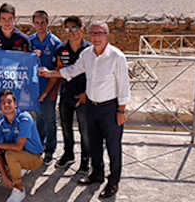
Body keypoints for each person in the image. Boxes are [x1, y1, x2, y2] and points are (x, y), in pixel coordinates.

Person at [40, 21, 130, 199]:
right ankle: (97, 173)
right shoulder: (87, 54)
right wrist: (50, 73)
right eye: (93, 33)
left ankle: (113, 182)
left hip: (111, 108)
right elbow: (73, 70)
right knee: (94, 143)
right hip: (91, 106)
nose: (96, 37)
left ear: (106, 35)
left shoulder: (116, 56)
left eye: (100, 33)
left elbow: (124, 86)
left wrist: (121, 110)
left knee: (113, 147)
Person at [0, 3, 32, 161]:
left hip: (14, 89)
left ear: (14, 19)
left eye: (10, 19)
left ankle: (13, 151)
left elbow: (28, 65)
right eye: (3, 19)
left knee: (13, 119)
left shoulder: (23, 40)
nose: (7, 22)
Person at [0, 90, 44, 202]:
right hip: (12, 155)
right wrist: (5, 177)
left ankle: (18, 189)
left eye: (9, 101)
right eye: (2, 102)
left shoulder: (25, 118)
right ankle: (15, 169)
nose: (6, 104)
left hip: (33, 157)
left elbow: (19, 147)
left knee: (11, 155)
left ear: (15, 104)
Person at [53, 16, 91, 173]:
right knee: (66, 128)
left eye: (74, 28)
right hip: (66, 95)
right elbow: (58, 72)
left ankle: (85, 159)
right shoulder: (60, 50)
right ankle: (68, 153)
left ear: (81, 29)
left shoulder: (90, 49)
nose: (71, 32)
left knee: (85, 131)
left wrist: (86, 94)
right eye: (68, 29)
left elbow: (96, 75)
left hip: (84, 97)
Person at [28, 10, 62, 164]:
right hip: (34, 89)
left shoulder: (55, 43)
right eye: (37, 23)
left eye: (43, 22)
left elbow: (58, 70)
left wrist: (49, 91)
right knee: (38, 119)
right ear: (33, 23)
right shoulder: (30, 41)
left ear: (47, 22)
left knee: (50, 120)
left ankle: (50, 150)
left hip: (50, 89)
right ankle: (39, 146)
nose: (40, 26)